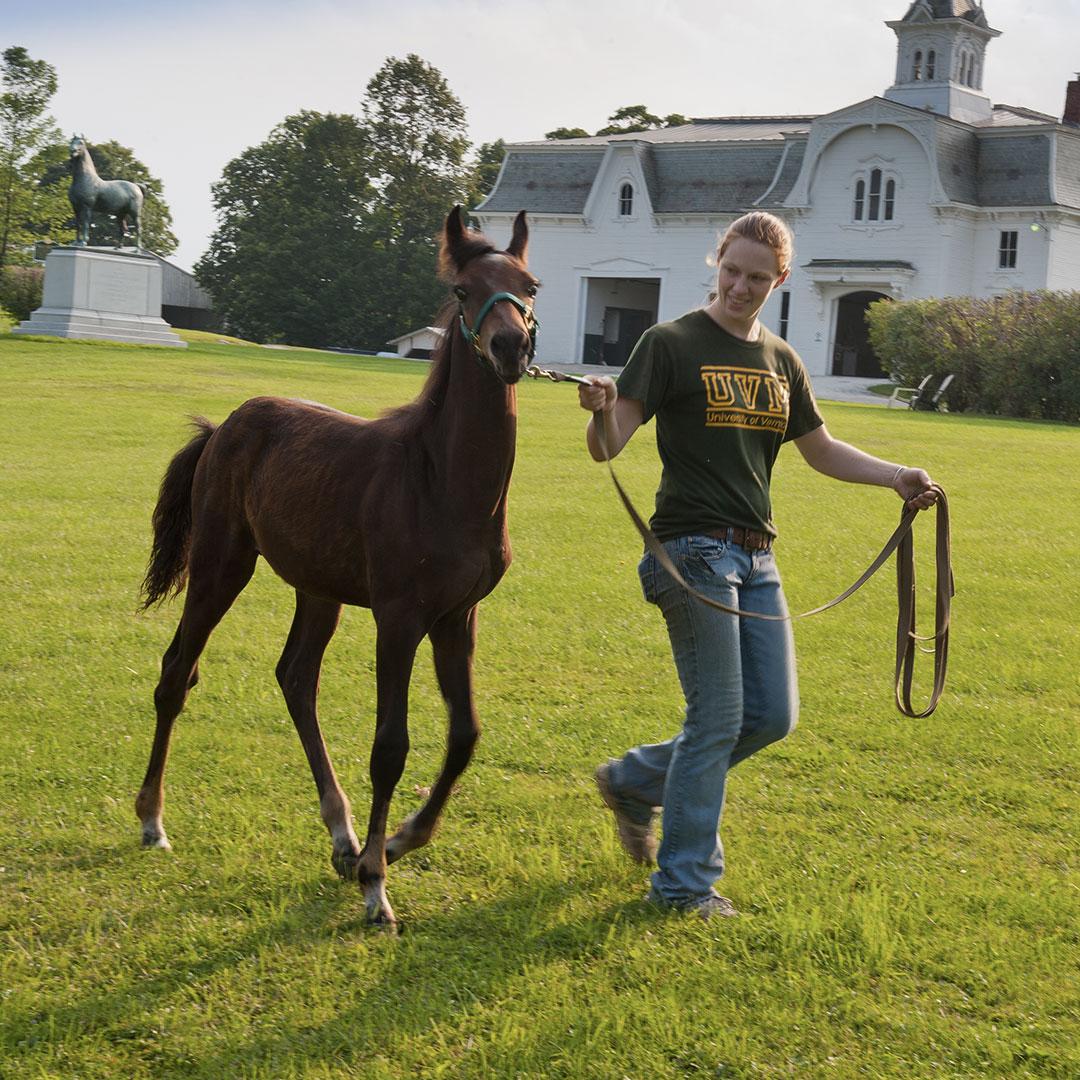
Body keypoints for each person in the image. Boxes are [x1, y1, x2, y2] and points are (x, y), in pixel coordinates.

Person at [577, 211, 939, 920]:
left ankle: (632, 781)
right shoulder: (670, 342)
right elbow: (608, 445)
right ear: (717, 263)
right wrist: (600, 408)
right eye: (730, 270)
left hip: (756, 555)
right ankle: (683, 887)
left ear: (780, 279)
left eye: (756, 277)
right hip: (690, 551)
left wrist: (897, 475)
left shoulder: (782, 361)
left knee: (771, 716)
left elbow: (822, 449)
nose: (739, 286)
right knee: (717, 717)